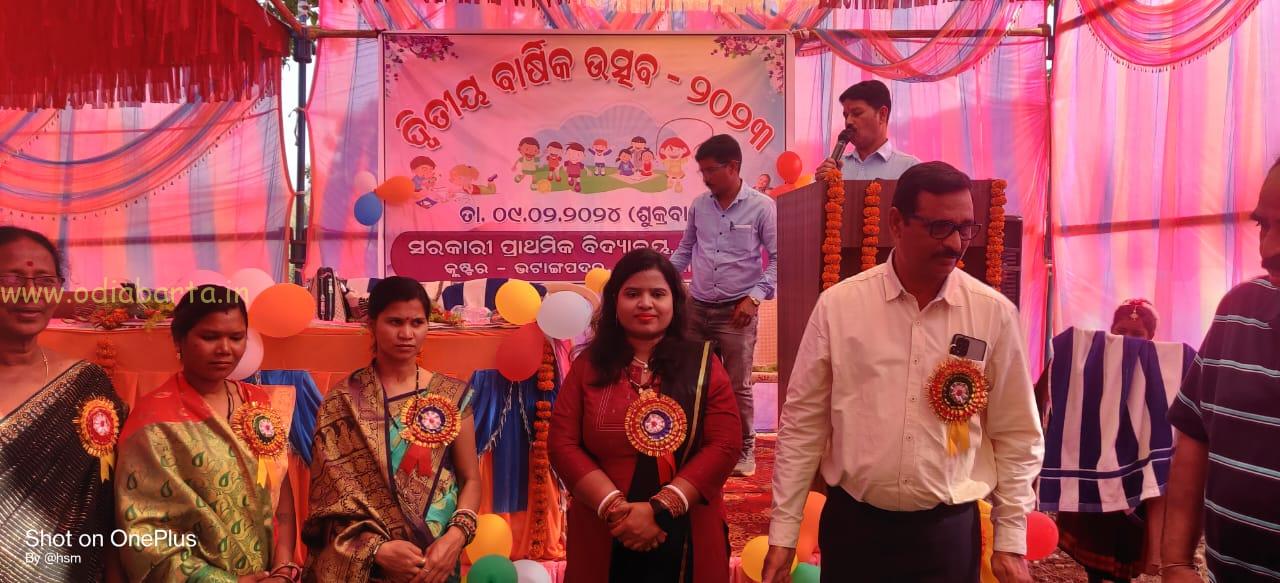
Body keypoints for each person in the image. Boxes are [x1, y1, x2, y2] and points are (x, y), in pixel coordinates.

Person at [762, 161, 1043, 583]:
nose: (955, 244)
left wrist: (1010, 538)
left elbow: (1017, 433)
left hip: (947, 536)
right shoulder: (840, 307)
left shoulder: (993, 314)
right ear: (896, 223)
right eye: (940, 227)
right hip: (855, 530)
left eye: (965, 229)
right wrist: (784, 533)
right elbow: (803, 425)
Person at [549, 248, 742, 582]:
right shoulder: (588, 366)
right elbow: (562, 443)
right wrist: (615, 508)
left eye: (658, 294)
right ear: (614, 302)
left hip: (689, 526)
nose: (645, 303)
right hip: (604, 525)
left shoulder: (703, 364)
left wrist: (661, 507)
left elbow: (724, 444)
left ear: (675, 302)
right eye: (632, 294)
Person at [115, 284, 299, 582]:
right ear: (179, 339)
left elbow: (282, 500)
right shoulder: (154, 422)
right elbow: (143, 533)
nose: (225, 349)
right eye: (210, 337)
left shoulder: (259, 403)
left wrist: (282, 567)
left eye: (236, 337)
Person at [303, 276, 481, 583]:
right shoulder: (342, 401)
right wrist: (375, 550)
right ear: (372, 324)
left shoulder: (450, 395)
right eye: (395, 322)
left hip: (436, 563)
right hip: (371, 570)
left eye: (417, 322)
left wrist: (456, 537)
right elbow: (328, 506)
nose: (407, 334)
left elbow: (471, 479)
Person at [1161, 159, 1280, 582]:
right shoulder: (1237, 311)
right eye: (1263, 225)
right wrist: (1175, 563)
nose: (1268, 250)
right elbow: (1196, 433)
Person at [0, 226, 126, 581]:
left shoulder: (86, 385)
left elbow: (109, 506)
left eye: (45, 281)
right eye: (12, 279)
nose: (30, 293)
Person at [669, 134, 778, 477]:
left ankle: (745, 450)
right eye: (701, 171)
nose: (705, 178)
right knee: (690, 380)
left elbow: (780, 258)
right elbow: (685, 249)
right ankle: (694, 446)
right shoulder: (699, 205)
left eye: (710, 170)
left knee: (737, 386)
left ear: (733, 166)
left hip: (737, 313)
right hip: (697, 309)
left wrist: (754, 298)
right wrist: (661, 279)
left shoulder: (762, 206)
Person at [1047, 299, 1166, 582]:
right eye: (1121, 331)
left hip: (1133, 475)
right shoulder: (1091, 364)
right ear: (1111, 329)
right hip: (1094, 466)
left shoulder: (1159, 370)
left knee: (1124, 550)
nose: (1127, 339)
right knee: (1093, 545)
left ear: (1151, 338)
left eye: (1137, 334)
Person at [816, 80, 921, 181]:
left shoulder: (909, 169)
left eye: (857, 113)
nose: (848, 121)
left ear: (882, 115)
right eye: (846, 116)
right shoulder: (831, 168)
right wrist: (821, 185)